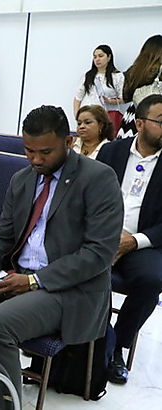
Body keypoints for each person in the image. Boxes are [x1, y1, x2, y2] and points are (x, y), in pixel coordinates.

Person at [0, 105, 123, 408]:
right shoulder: (22, 179)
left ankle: (4, 405)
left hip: (69, 289)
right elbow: (3, 238)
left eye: (45, 152)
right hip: (17, 277)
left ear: (68, 143)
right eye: (29, 150)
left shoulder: (98, 178)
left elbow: (99, 253)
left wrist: (33, 281)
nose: (36, 159)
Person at [96, 94, 162, 385]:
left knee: (153, 279)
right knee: (90, 270)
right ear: (140, 123)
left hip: (143, 241)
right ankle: (98, 340)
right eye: (161, 121)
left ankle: (119, 346)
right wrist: (108, 236)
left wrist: (133, 241)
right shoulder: (111, 151)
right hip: (101, 235)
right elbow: (89, 196)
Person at [118, 35, 162, 139]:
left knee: (127, 150)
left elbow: (126, 96)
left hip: (132, 115)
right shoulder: (159, 71)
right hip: (156, 117)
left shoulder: (134, 70)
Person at [73, 45, 125, 118]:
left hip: (106, 117)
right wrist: (77, 116)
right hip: (87, 115)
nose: (97, 59)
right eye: (95, 57)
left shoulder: (117, 76)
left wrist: (111, 101)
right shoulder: (88, 76)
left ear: (109, 57)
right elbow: (78, 98)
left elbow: (123, 99)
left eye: (100, 56)